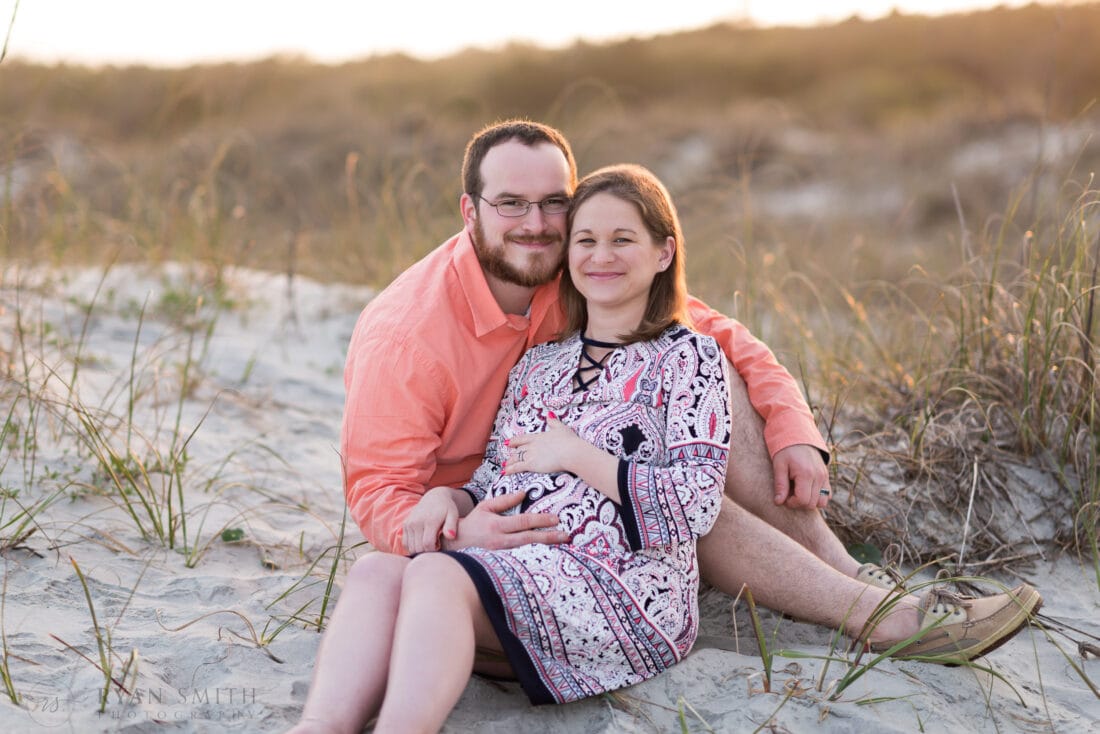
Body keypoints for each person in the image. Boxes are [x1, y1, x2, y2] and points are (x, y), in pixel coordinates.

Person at [295, 120, 1039, 729]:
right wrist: (453, 516)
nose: (538, 226)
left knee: (696, 428)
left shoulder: (577, 267)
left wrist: (791, 426)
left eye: (555, 204)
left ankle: (862, 592)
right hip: (487, 529)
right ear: (471, 211)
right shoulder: (407, 334)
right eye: (511, 205)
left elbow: (720, 339)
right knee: (385, 569)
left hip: (597, 528)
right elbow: (380, 492)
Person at [292, 164, 733, 732]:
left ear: (664, 253)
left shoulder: (688, 358)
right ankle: (320, 727)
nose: (602, 256)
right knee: (379, 570)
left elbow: (697, 506)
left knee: (437, 574)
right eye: (587, 240)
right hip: (510, 574)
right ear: (568, 254)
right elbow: (493, 478)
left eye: (623, 240)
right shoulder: (540, 362)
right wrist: (446, 502)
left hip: (625, 591)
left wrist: (577, 454)